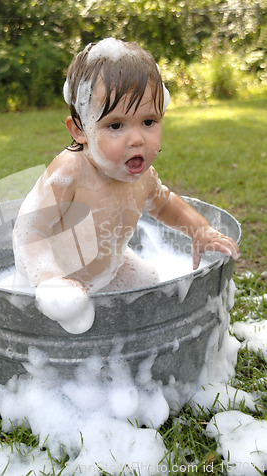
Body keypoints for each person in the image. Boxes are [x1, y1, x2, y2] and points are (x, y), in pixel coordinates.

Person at [12, 38, 240, 334]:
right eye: (116, 126)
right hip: (51, 287)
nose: (137, 139)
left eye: (148, 121)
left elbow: (165, 203)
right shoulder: (70, 171)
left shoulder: (142, 177)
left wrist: (199, 229)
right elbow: (29, 231)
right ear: (80, 130)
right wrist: (51, 281)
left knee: (148, 286)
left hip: (109, 272)